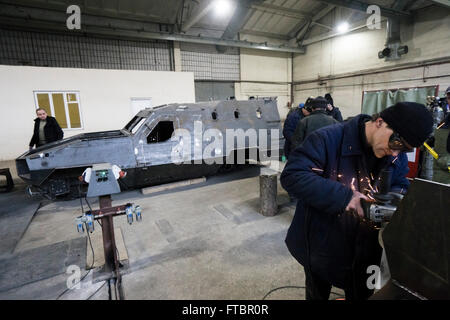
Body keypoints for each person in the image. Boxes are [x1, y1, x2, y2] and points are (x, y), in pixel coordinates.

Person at [280, 102, 433, 300]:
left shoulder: (395, 157)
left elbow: (400, 181)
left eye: (404, 150)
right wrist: (345, 197)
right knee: (317, 293)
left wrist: (395, 198)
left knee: (363, 294)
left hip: (369, 251)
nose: (396, 153)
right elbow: (293, 176)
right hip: (322, 245)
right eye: (396, 144)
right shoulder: (327, 139)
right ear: (379, 122)